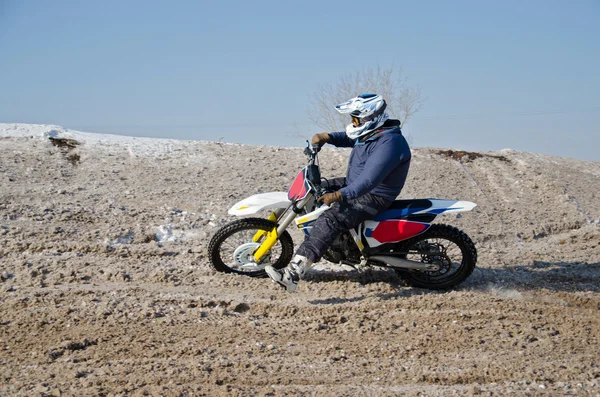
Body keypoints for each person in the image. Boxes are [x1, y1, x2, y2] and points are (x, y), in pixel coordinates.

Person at [265, 94, 412, 292]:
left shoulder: (390, 143)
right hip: (356, 184)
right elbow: (352, 139)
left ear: (370, 118)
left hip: (374, 194)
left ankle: (293, 274)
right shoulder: (374, 132)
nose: (353, 123)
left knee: (330, 219)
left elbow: (368, 181)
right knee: (319, 189)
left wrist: (338, 195)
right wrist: (329, 137)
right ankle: (336, 240)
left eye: (356, 119)